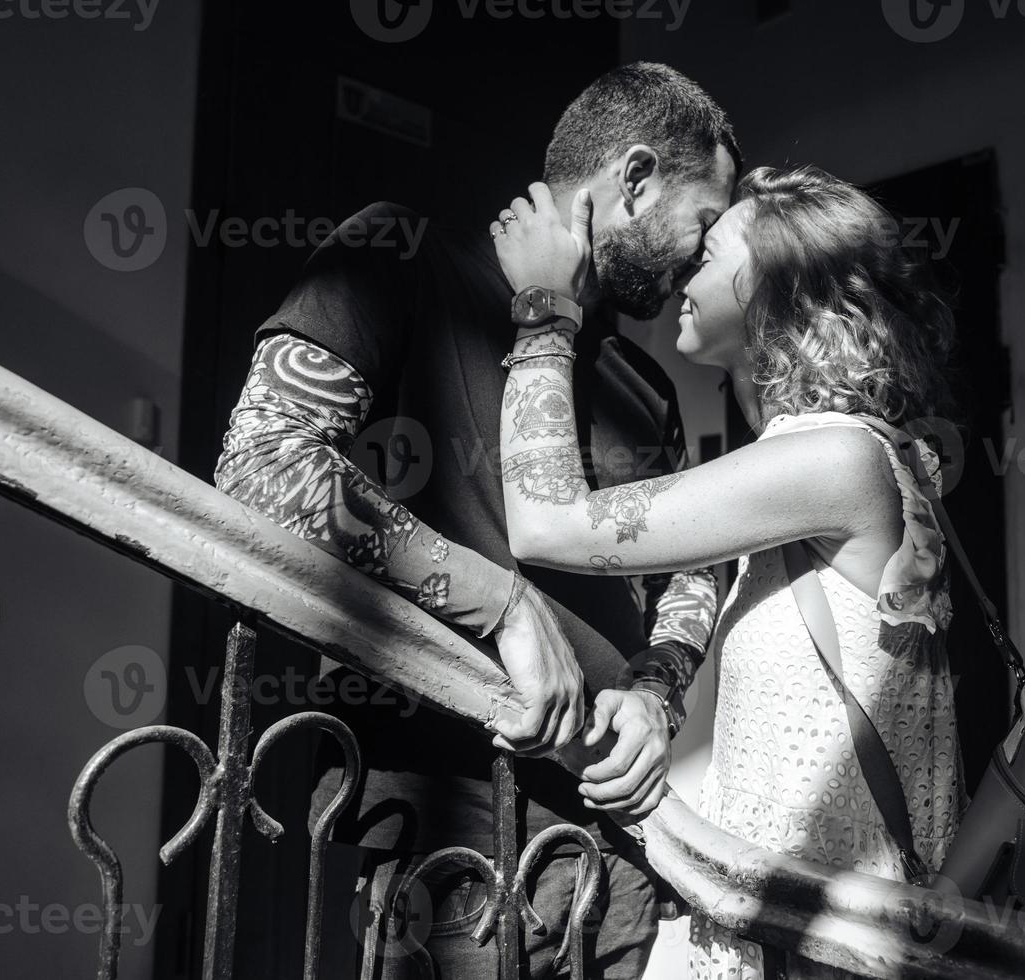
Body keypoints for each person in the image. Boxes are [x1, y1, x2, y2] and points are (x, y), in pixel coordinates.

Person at [214, 62, 740, 978]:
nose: (704, 254)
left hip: (619, 844)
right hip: (455, 840)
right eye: (703, 221)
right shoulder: (398, 253)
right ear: (636, 177)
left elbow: (695, 571)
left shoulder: (642, 385)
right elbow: (261, 462)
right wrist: (500, 601)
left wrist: (657, 692)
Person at [488, 164, 967, 979]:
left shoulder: (832, 459)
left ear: (775, 289)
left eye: (709, 253)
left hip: (830, 954)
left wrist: (544, 311)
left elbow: (545, 524)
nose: (682, 272)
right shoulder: (801, 466)